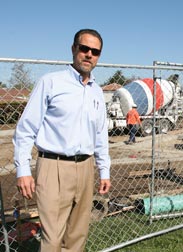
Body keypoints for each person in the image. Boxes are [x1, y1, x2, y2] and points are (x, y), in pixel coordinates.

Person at [13, 29, 111, 251]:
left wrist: (104, 170)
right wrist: (23, 170)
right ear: (73, 49)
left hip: (86, 167)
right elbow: (26, 128)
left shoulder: (97, 92)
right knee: (53, 238)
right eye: (84, 48)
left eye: (95, 51)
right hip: (53, 167)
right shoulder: (50, 82)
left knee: (77, 235)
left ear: (98, 56)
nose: (89, 54)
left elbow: (100, 135)